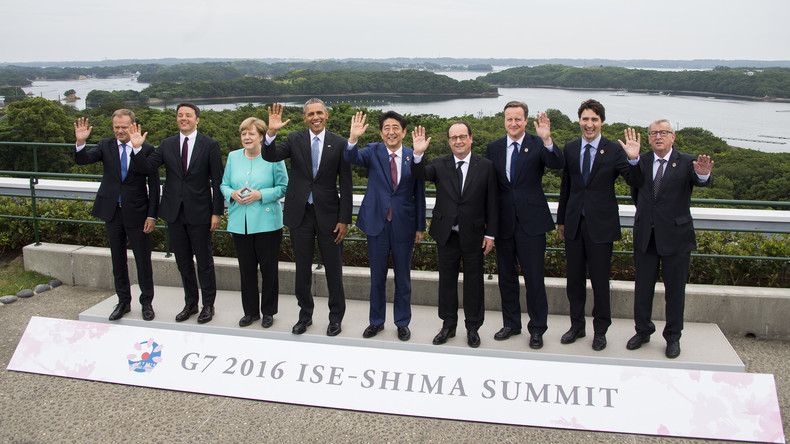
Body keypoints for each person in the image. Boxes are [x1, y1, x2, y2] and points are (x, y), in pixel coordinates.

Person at [556, 99, 642, 351]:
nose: (589, 124)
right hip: (574, 224)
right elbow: (566, 187)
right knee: (574, 280)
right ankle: (577, 326)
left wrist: (634, 159)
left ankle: (600, 330)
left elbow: (634, 180)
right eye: (585, 119)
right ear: (579, 121)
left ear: (602, 122)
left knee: (600, 281)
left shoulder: (614, 149)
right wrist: (561, 220)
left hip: (601, 226)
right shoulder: (571, 148)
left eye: (594, 119)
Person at [262, 100, 352, 337]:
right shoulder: (294, 139)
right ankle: (305, 316)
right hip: (300, 214)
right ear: (304, 118)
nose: (315, 117)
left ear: (326, 115)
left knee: (334, 270)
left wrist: (344, 219)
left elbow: (346, 184)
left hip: (330, 216)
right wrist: (271, 133)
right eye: (310, 114)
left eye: (319, 113)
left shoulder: (340, 143)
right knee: (302, 269)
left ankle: (335, 318)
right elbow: (270, 156)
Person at [129, 102, 224, 324]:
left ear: (197, 119)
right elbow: (146, 168)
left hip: (200, 212)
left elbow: (218, 180)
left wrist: (217, 212)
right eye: (180, 115)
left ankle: (208, 305)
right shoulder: (167, 144)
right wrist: (137, 149)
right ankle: (190, 303)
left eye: (188, 115)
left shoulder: (210, 144)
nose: (184, 118)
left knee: (204, 261)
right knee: (183, 262)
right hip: (174, 212)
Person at [625, 120, 713, 358]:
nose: (658, 136)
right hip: (646, 235)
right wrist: (632, 159)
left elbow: (700, 180)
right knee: (643, 288)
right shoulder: (641, 160)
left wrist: (703, 174)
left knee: (675, 291)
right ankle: (643, 331)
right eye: (654, 133)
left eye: (663, 132)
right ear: (649, 138)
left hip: (676, 236)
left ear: (673, 137)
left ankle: (673, 337)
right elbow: (633, 185)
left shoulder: (687, 161)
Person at [412, 121, 498, 348]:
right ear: (448, 141)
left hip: (475, 235)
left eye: (462, 137)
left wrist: (491, 235)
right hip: (447, 234)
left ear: (471, 138)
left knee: (474, 283)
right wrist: (418, 154)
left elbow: (492, 202)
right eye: (453, 138)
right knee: (447, 283)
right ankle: (448, 325)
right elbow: (419, 174)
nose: (458, 141)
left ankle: (473, 327)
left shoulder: (486, 166)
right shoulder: (439, 164)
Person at [485, 101, 563, 350]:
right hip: (504, 224)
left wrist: (547, 139)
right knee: (506, 278)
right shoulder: (494, 148)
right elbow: (490, 187)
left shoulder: (538, 143)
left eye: (518, 119)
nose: (513, 123)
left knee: (534, 280)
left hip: (532, 223)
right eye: (509, 119)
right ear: (504, 121)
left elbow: (557, 164)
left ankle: (537, 328)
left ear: (526, 121)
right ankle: (511, 324)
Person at [344, 111, 426, 341]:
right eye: (386, 128)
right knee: (377, 277)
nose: (391, 132)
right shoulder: (373, 151)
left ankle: (402, 322)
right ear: (381, 133)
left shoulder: (413, 156)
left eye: (395, 127)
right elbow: (351, 157)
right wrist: (353, 138)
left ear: (404, 132)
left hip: (404, 225)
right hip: (377, 224)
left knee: (403, 278)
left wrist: (420, 226)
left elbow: (419, 193)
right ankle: (376, 321)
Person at [73, 110, 159, 321]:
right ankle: (123, 302)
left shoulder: (147, 149)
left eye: (124, 127)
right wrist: (80, 142)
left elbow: (154, 185)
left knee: (143, 260)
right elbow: (83, 160)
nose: (120, 131)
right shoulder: (105, 145)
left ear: (133, 126)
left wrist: (152, 215)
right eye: (116, 127)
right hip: (112, 212)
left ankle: (146, 302)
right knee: (117, 260)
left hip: (138, 213)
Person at [220, 117, 288, 328]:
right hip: (240, 223)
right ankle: (250, 312)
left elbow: (283, 187)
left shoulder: (274, 157)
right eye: (243, 133)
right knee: (246, 270)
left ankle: (268, 311)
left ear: (261, 137)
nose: (247, 137)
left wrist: (261, 194)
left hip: (267, 223)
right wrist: (232, 193)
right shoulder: (233, 157)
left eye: (251, 133)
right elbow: (224, 185)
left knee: (269, 270)